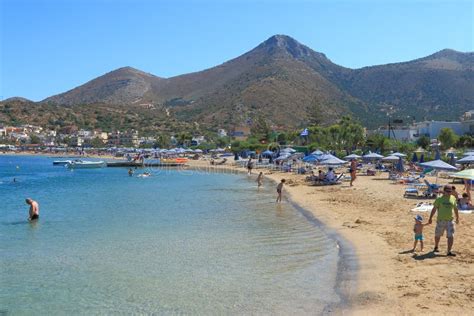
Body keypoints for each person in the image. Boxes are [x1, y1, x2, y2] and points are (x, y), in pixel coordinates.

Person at [428, 185, 460, 256]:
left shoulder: (453, 198)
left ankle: (449, 251)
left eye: (450, 191)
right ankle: (436, 246)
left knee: (451, 236)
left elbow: (455, 209)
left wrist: (457, 217)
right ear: (444, 191)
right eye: (448, 191)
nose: (449, 193)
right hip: (441, 220)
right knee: (437, 235)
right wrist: (430, 218)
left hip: (450, 220)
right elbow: (434, 209)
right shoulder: (439, 199)